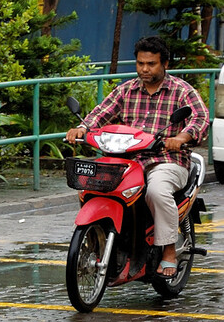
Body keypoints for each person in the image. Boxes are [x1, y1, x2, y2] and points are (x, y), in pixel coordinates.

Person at [66, 36, 209, 278]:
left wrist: (182, 137)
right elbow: (101, 113)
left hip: (166, 160)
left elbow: (200, 118)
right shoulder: (126, 89)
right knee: (95, 186)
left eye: (151, 64)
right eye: (141, 63)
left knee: (156, 191)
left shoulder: (182, 91)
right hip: (125, 160)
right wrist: (83, 128)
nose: (144, 69)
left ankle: (169, 251)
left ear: (165, 64)